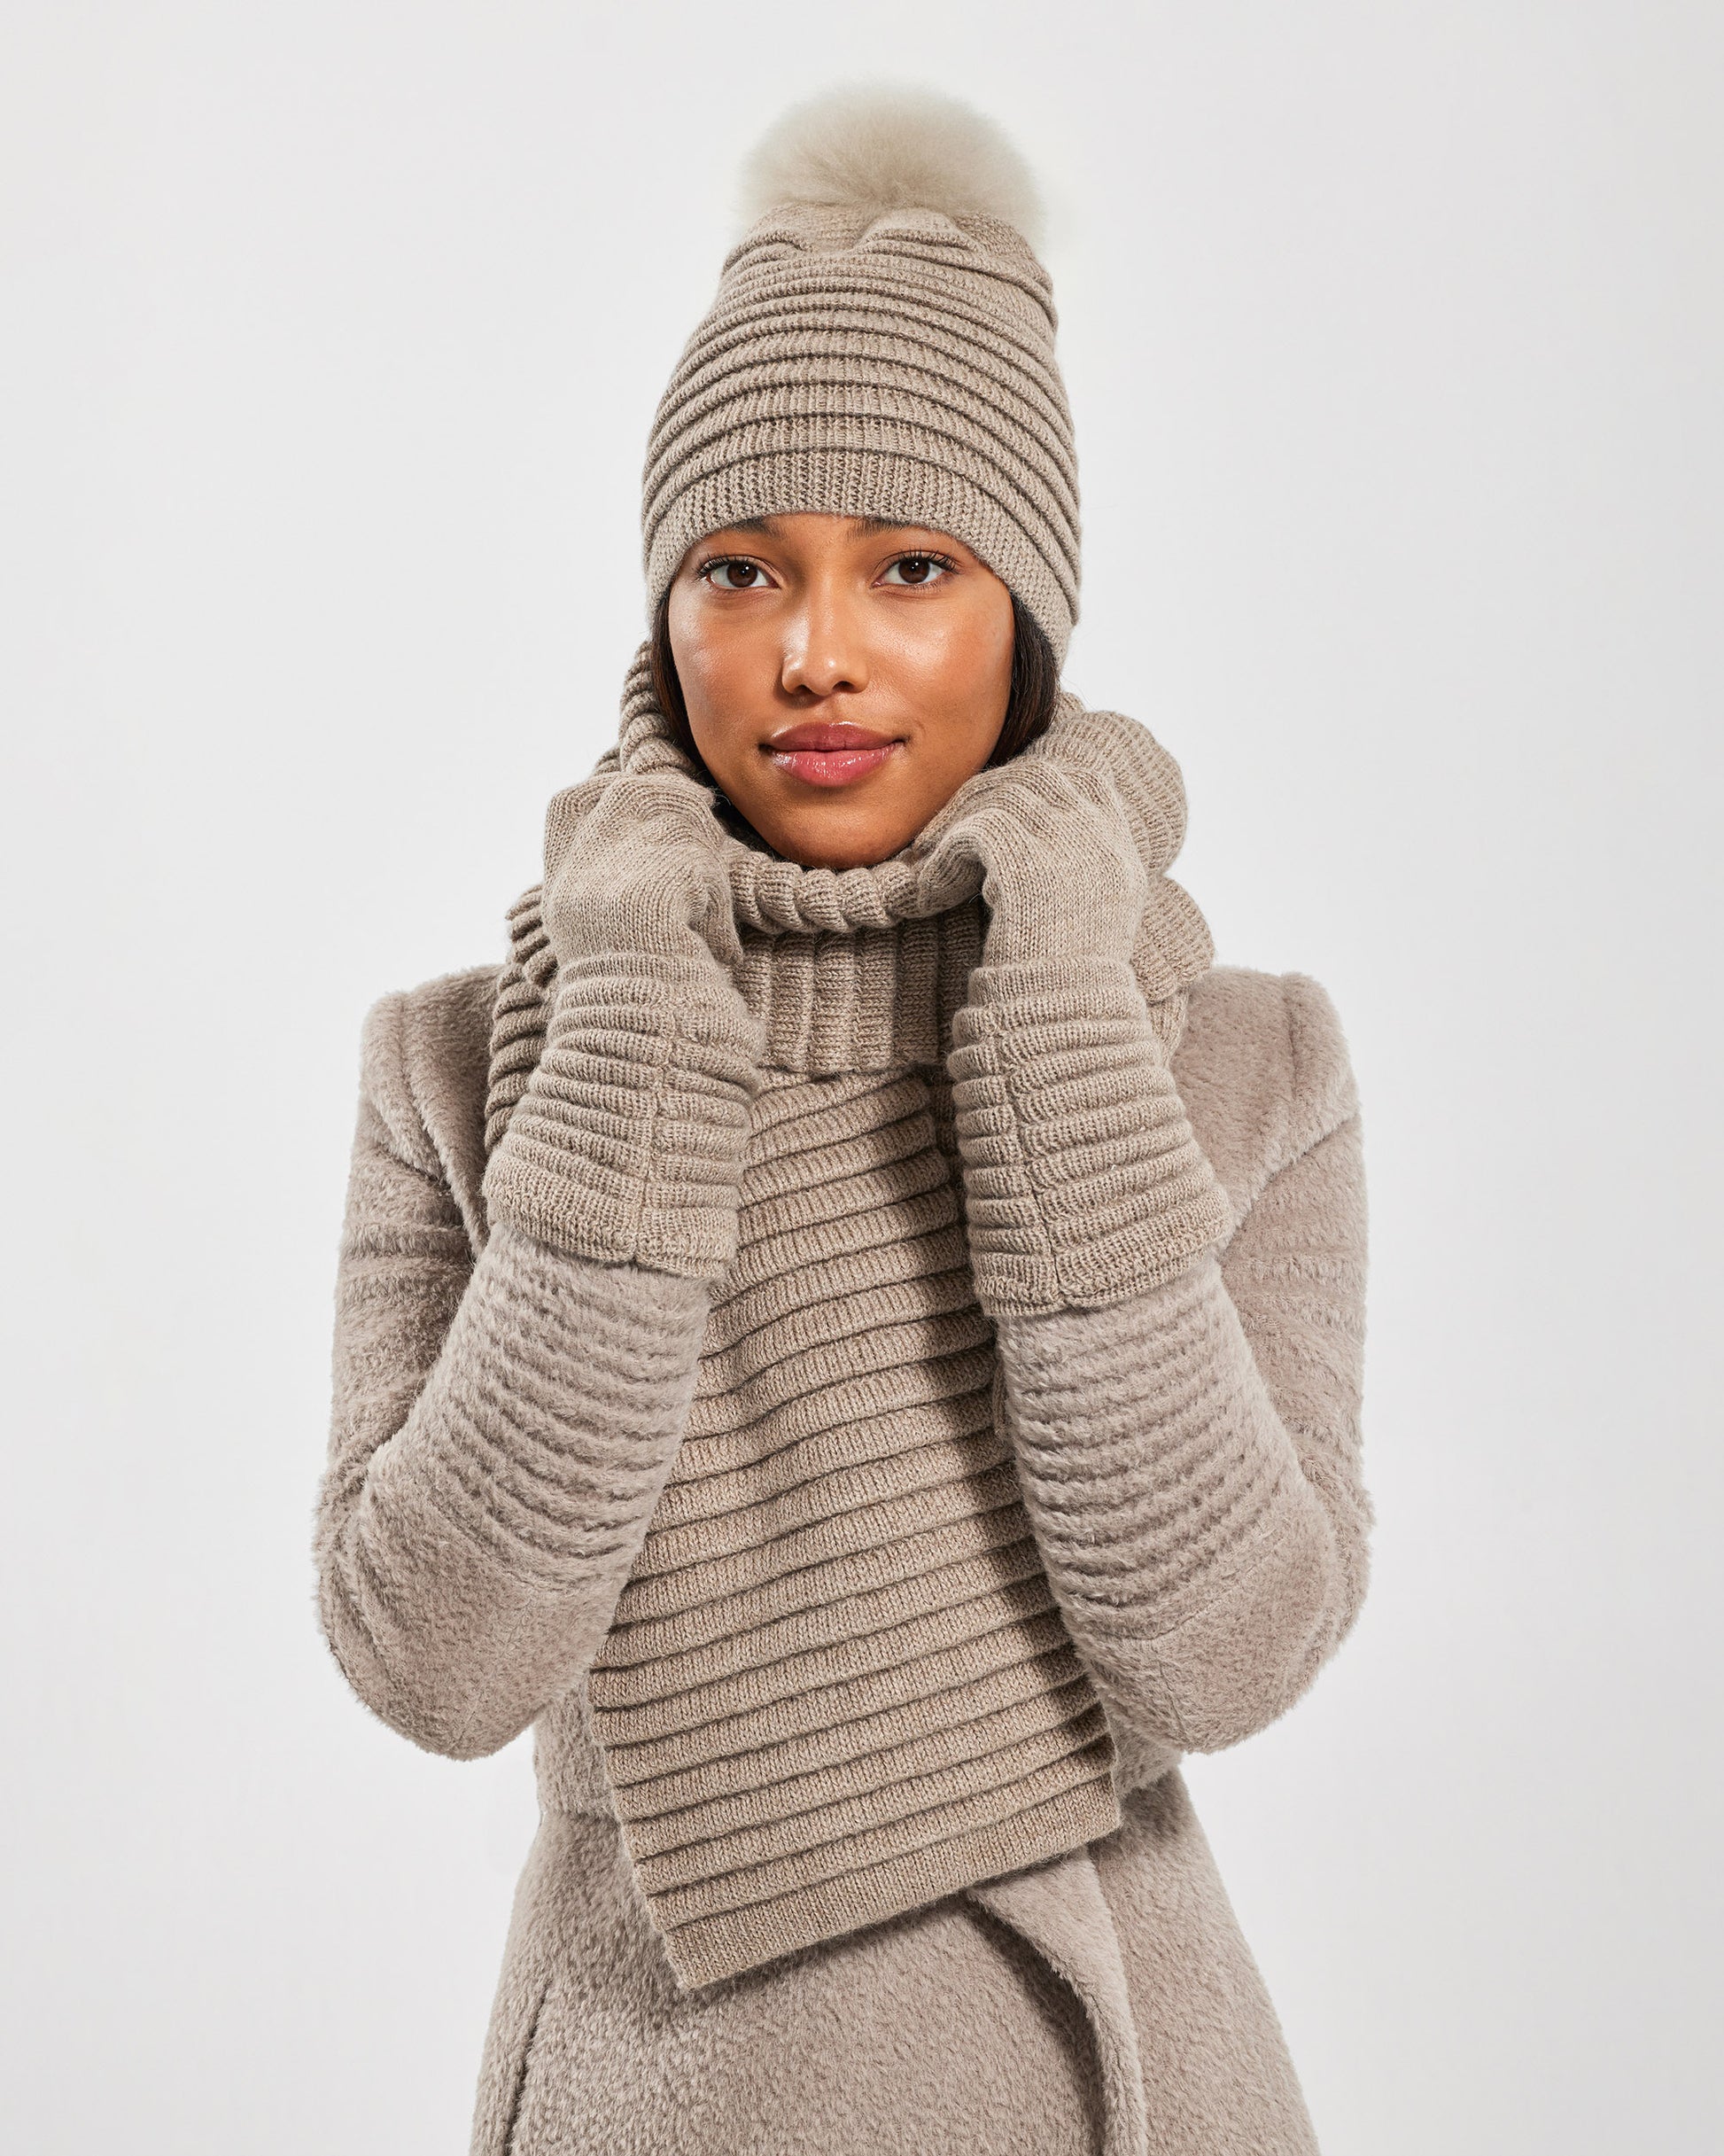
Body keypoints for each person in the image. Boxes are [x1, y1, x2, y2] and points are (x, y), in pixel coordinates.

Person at [315, 85, 1371, 2156]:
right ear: (662, 614)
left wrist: (1054, 1014)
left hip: (1125, 2075)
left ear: (1025, 621)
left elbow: (1227, 1647)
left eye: (909, 564)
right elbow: (437, 1658)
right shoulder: (464, 1060)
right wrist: (628, 1026)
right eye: (737, 567)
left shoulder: (1240, 1054)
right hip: (664, 2079)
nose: (814, 651)